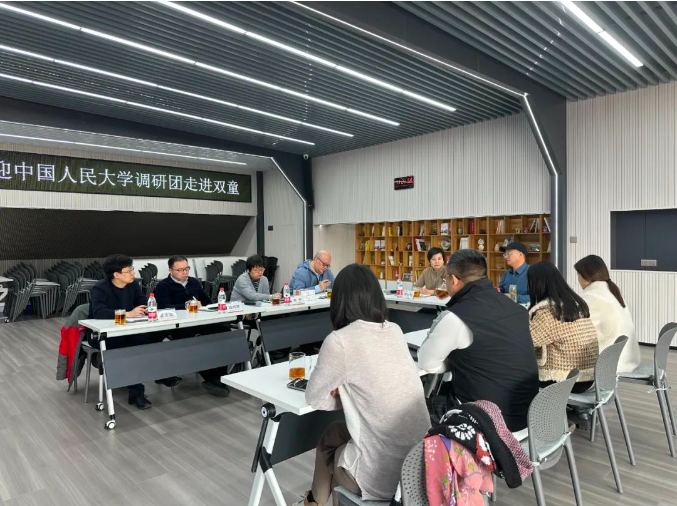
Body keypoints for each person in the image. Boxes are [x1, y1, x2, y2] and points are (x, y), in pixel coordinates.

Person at [296, 264, 430, 506]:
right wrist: (357, 394)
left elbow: (314, 398)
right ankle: (314, 501)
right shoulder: (394, 330)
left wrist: (346, 395)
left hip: (384, 481)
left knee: (333, 456)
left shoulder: (340, 341)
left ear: (339, 301)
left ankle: (314, 502)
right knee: (332, 434)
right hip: (420, 467)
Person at [418, 249, 539, 431]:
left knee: (424, 404)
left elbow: (426, 362)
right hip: (529, 413)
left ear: (454, 280)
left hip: (488, 421)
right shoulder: (516, 308)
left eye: (446, 279)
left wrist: (457, 361)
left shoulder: (456, 317)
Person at [89, 254, 178, 410]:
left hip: (129, 330)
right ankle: (137, 393)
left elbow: (141, 301)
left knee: (155, 336)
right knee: (135, 346)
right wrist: (128, 314)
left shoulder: (132, 285)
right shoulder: (101, 288)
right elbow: (99, 312)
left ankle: (159, 373)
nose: (133, 273)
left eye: (132, 269)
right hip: (103, 334)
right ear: (116, 274)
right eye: (129, 271)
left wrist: (145, 308)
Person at [153, 255, 231, 397]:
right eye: (179, 270)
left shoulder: (194, 282)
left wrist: (210, 306)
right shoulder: (163, 286)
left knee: (224, 332)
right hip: (177, 325)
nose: (184, 272)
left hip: (198, 320)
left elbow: (206, 301)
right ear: (170, 270)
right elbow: (163, 307)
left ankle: (220, 375)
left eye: (186, 269)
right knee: (194, 340)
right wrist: (185, 305)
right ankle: (211, 378)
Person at [527, 261, 599, 393]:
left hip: (564, 380)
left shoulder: (549, 312)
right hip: (587, 376)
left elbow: (527, 342)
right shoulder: (575, 304)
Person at [574, 255, 640, 373]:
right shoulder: (611, 292)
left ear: (586, 276)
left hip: (609, 364)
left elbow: (575, 329)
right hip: (626, 358)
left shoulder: (592, 297)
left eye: (578, 274)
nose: (577, 279)